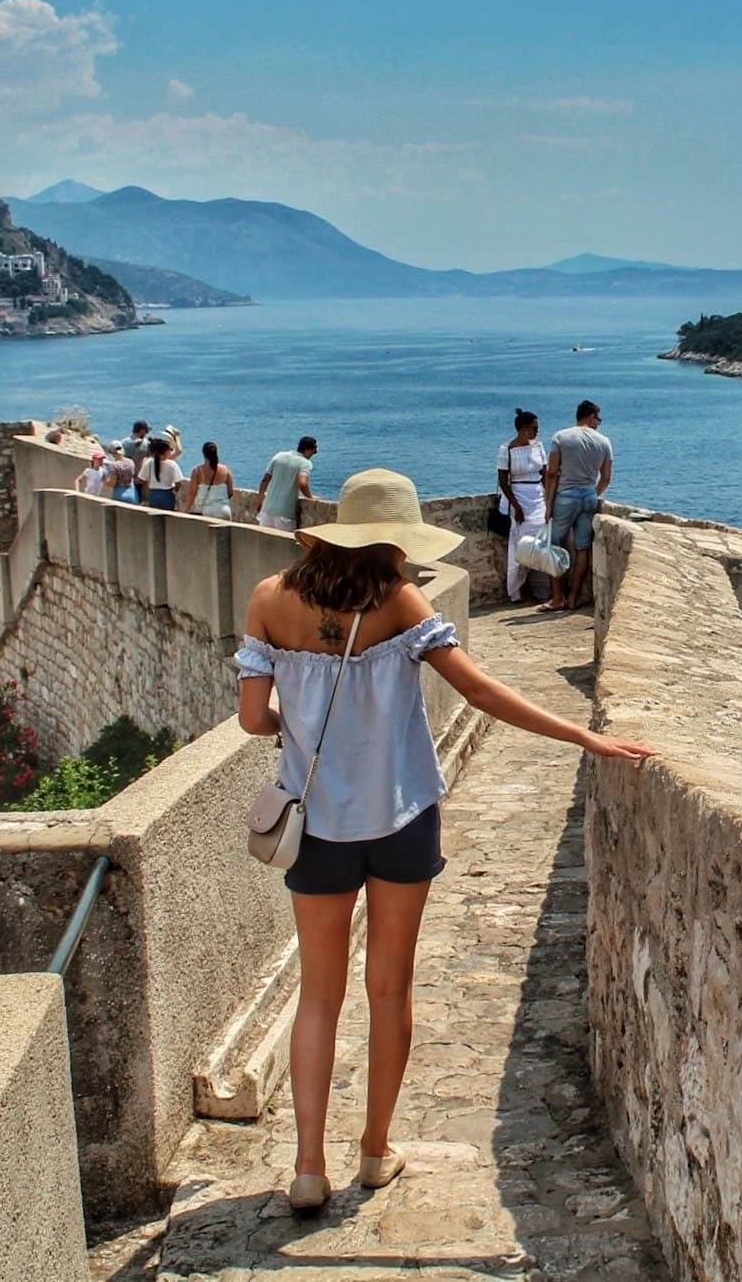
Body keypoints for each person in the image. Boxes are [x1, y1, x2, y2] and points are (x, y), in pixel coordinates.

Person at [234, 468, 656, 1213]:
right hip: (400, 817)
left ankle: (307, 1168)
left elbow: (250, 719)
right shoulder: (399, 601)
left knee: (319, 996)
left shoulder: (270, 599)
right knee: (389, 987)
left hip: (317, 823)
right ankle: (374, 1152)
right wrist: (584, 737)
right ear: (395, 539)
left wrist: (290, 730)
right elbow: (480, 691)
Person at [540, 400, 612, 612]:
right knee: (582, 548)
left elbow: (551, 473)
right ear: (590, 416)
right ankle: (573, 597)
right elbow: (606, 478)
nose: (598, 423)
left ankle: (558, 598)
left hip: (565, 496)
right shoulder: (604, 442)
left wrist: (548, 504)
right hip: (589, 495)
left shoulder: (561, 437)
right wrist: (593, 493)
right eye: (598, 419)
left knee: (554, 546)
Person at [496, 409, 548, 604]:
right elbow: (503, 482)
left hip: (537, 497)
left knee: (540, 541)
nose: (537, 431)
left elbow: (545, 474)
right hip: (517, 496)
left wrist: (549, 501)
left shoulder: (538, 447)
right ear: (524, 429)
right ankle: (520, 588)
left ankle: (542, 587)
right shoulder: (507, 449)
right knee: (520, 543)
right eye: (535, 428)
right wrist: (516, 506)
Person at [258, 436, 319, 532]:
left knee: (265, 540)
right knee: (286, 541)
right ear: (308, 449)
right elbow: (302, 483)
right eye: (314, 450)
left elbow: (265, 480)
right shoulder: (305, 463)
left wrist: (260, 498)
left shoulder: (279, 456)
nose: (315, 453)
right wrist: (310, 496)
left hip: (267, 511)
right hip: (285, 513)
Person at [181, 440, 236, 521]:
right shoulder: (226, 470)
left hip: (207, 511)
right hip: (224, 510)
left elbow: (192, 494)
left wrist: (183, 511)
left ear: (204, 454)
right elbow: (230, 493)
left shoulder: (198, 471)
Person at [139, 432, 184, 511]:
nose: (171, 451)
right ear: (165, 451)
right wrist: (174, 491)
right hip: (167, 495)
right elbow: (178, 483)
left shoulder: (149, 462)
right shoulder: (172, 464)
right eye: (170, 450)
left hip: (153, 494)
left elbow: (142, 478)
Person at [126, 421, 153, 503]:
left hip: (125, 479)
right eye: (146, 431)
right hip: (139, 479)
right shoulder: (146, 444)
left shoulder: (124, 442)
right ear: (142, 430)